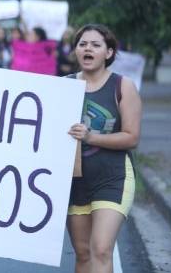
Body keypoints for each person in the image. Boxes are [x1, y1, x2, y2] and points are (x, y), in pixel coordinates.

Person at [66, 24, 141, 273]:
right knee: (84, 254)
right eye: (83, 44)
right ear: (76, 50)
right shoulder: (62, 87)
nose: (88, 48)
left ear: (108, 53)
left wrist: (90, 137)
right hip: (75, 183)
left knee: (101, 249)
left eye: (96, 45)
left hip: (113, 178)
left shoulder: (123, 86)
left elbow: (132, 138)